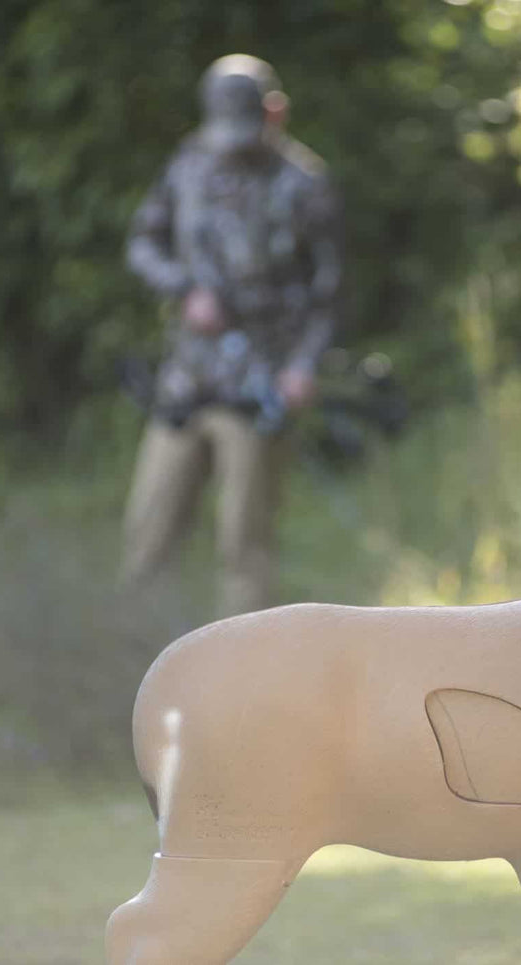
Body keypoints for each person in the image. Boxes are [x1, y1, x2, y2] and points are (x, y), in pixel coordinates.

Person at [120, 54, 343, 617]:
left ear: (276, 112)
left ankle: (241, 691)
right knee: (146, 538)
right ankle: (136, 675)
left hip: (257, 391)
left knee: (245, 552)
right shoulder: (187, 165)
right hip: (185, 384)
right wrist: (183, 289)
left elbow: (330, 295)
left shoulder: (306, 184)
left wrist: (302, 368)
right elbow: (143, 244)